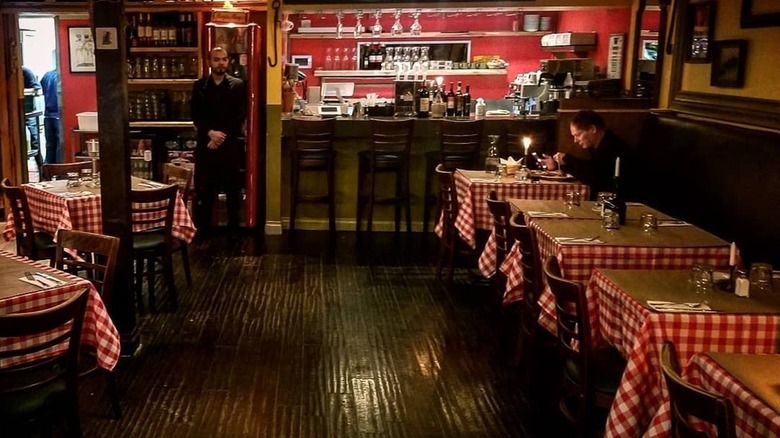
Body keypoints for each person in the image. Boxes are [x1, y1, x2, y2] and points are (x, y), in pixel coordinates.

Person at [190, 47, 246, 233]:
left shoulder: (237, 85)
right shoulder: (200, 86)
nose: (221, 63)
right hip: (206, 143)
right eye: (216, 59)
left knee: (232, 190)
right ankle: (203, 231)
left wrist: (220, 136)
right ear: (209, 62)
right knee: (205, 189)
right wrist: (210, 133)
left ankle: (234, 230)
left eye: (224, 59)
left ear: (228, 61)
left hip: (229, 145)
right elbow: (196, 115)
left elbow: (239, 116)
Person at [541, 110, 629, 199]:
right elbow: (586, 171)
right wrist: (557, 165)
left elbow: (594, 176)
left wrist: (568, 159)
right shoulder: (597, 146)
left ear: (592, 129)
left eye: (578, 135)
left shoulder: (613, 147)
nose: (575, 140)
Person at [22, 66, 43, 169]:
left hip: (28, 109)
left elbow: (37, 89)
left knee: (35, 139)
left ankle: (41, 168)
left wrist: (24, 92)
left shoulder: (25, 71)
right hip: (19, 110)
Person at [40, 69, 61, 164]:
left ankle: (47, 171)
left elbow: (42, 89)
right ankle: (59, 172)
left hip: (48, 115)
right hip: (58, 115)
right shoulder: (61, 76)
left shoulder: (47, 75)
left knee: (50, 145)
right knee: (59, 147)